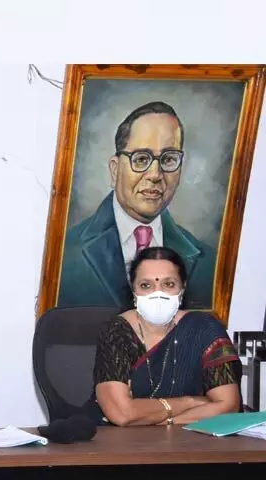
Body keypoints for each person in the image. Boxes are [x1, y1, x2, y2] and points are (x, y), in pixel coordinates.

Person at [59, 101, 216, 309]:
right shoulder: (66, 254)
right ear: (115, 170)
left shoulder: (208, 262)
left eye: (168, 159)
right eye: (141, 159)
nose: (155, 175)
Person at [91, 246, 241, 427]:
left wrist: (166, 421)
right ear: (134, 291)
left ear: (182, 289)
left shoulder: (205, 329)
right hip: (124, 445)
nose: (158, 294)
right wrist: (190, 402)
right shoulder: (116, 331)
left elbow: (228, 406)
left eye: (168, 284)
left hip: (193, 442)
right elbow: (122, 414)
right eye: (146, 285)